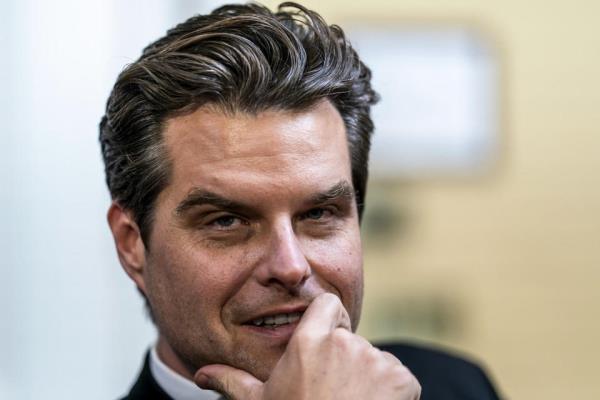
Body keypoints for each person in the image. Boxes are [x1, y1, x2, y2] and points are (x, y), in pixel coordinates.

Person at [99, 2, 501, 399]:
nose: (291, 267)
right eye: (226, 221)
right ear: (132, 244)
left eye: (318, 213)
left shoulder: (456, 386)